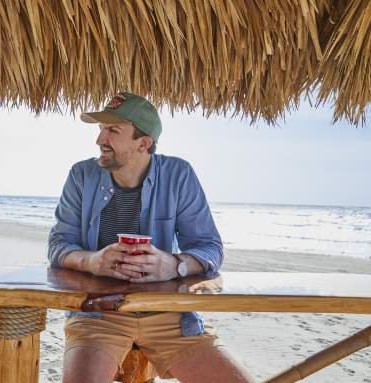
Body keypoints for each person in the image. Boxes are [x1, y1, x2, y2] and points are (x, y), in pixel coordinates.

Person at [48, 92, 254, 383]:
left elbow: (210, 247)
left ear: (144, 143)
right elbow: (59, 245)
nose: (99, 139)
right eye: (100, 129)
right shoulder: (81, 175)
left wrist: (175, 265)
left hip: (168, 314)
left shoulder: (178, 174)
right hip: (98, 313)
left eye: (113, 131)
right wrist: (92, 261)